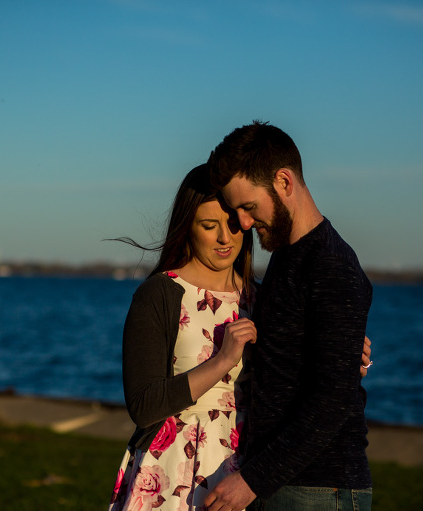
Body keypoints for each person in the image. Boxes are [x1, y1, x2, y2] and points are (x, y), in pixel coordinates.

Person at [108, 164, 373, 511]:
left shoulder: (260, 299)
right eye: (209, 226)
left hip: (251, 471)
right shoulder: (160, 293)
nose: (224, 238)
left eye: (234, 225)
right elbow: (143, 407)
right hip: (173, 471)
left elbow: (295, 375)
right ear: (187, 226)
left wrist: (344, 355)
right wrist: (222, 361)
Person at [204, 121, 374, 511]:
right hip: (283, 482)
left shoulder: (330, 263)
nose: (243, 223)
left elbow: (332, 400)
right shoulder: (286, 257)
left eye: (248, 206)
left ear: (284, 182)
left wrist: (250, 481)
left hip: (319, 488)